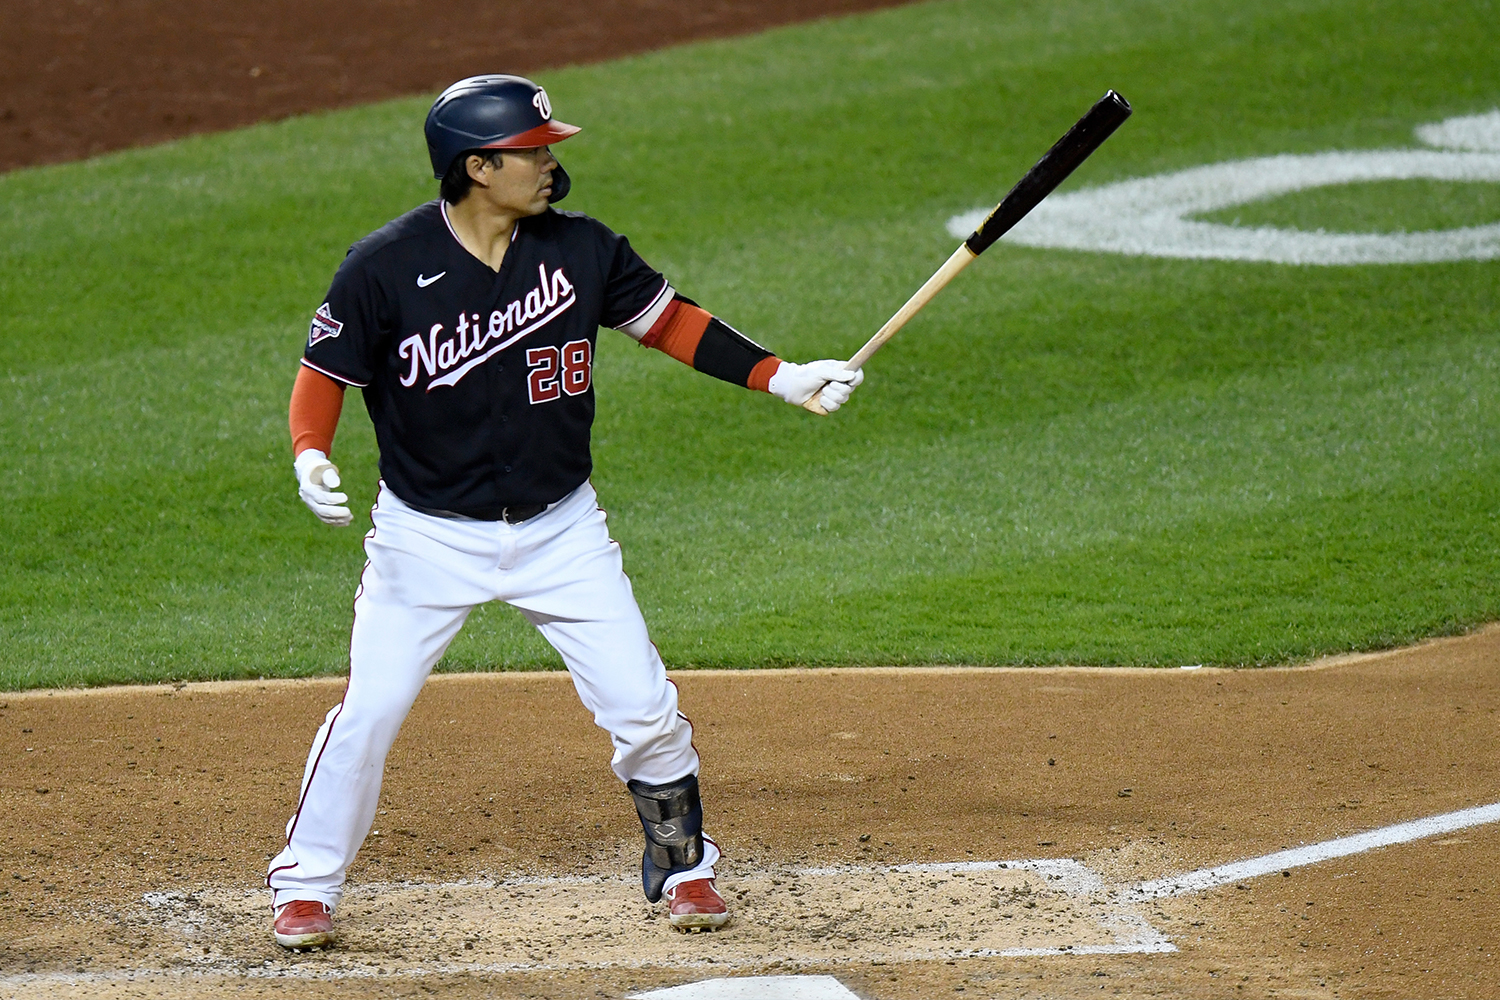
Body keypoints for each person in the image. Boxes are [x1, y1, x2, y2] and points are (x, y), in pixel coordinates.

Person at [266, 74, 864, 950]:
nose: (549, 164)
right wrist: (310, 452)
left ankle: (683, 862)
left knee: (643, 706)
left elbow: (672, 324)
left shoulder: (582, 250)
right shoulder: (385, 266)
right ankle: (305, 886)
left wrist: (780, 376)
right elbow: (325, 374)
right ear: (477, 166)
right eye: (532, 151)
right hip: (426, 538)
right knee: (370, 710)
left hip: (561, 530)